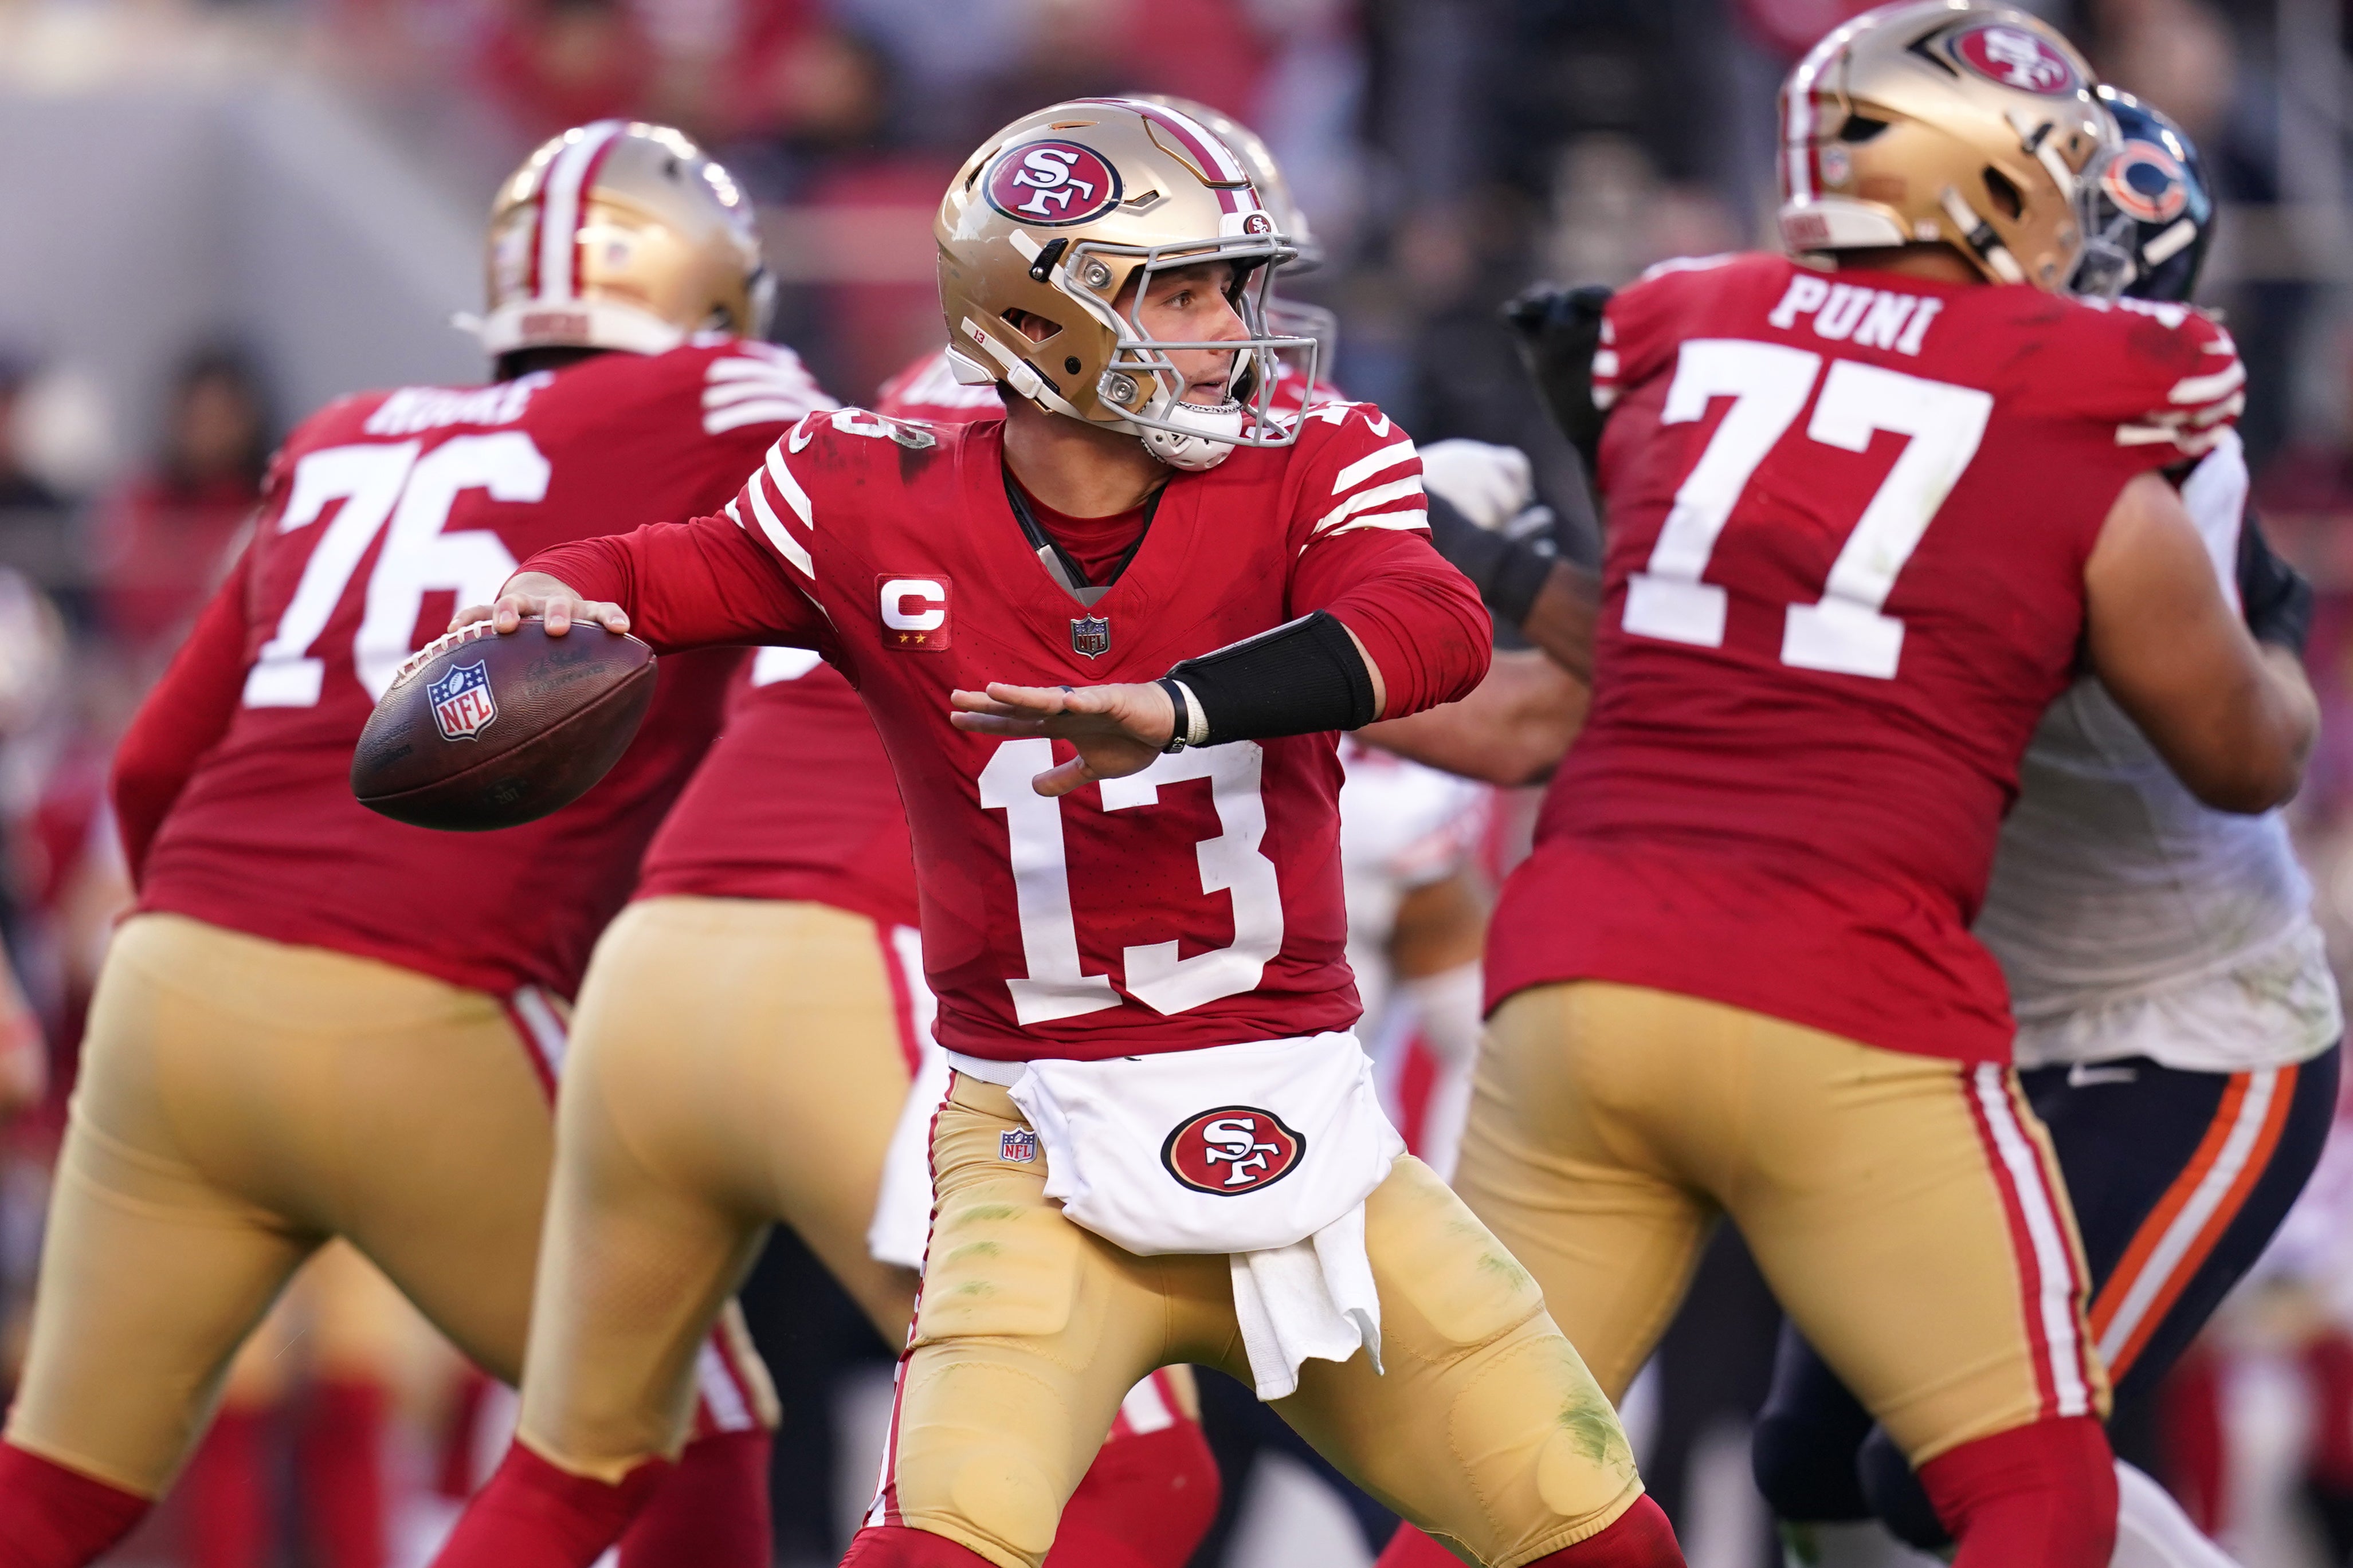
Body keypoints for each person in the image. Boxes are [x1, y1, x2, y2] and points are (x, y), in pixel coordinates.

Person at [452, 95, 1682, 1568]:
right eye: (1185, 290)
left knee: (1603, 1541)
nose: (1234, 329)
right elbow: (674, 569)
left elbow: (1427, 635)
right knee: (938, 1545)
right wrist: (557, 585)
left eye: (1237, 287)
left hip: (1305, 1124)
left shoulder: (1317, 456)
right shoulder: (865, 488)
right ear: (1049, 314)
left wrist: (1178, 709)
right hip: (1031, 1142)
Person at [1378, 8, 2313, 1568]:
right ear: (2000, 184)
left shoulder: (1685, 326)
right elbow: (2246, 753)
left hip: (1598, 978)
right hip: (1861, 996)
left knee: (1508, 1499)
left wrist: (1502, 584)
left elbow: (1661, 682)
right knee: (2006, 1492)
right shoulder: (2090, 398)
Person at [0, 120, 832, 1568]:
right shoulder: (726, 397)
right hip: (427, 1006)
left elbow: (150, 764)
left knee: (61, 1482)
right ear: (708, 291)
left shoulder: (340, 435)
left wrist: (206, 939)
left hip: (170, 988)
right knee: (675, 1434)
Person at [1749, 88, 2343, 1568]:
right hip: (1982, 1037)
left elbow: (2255, 757)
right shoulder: (1948, 429)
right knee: (1810, 1459)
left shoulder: (2103, 484)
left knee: (1944, 1465)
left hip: (2192, 1036)